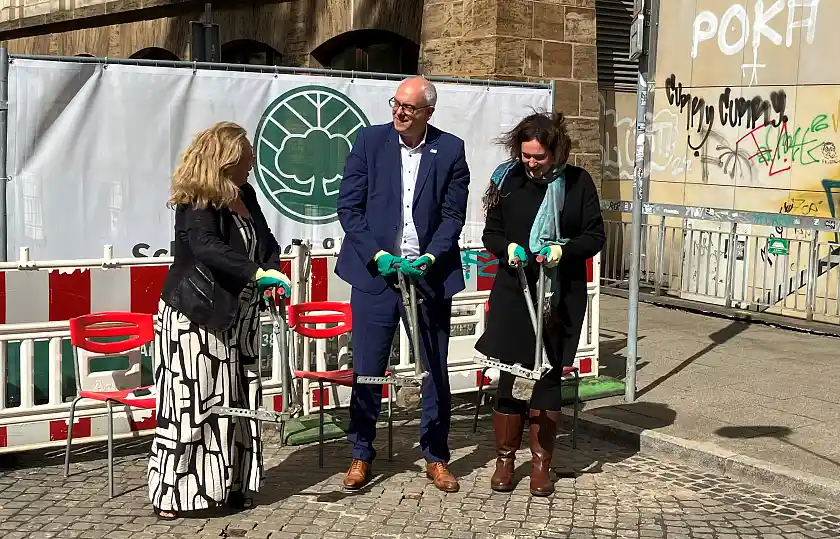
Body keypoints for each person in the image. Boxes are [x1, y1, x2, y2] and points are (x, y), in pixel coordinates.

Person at [148, 121, 291, 519]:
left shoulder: (245, 194)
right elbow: (206, 247)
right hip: (196, 316)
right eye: (247, 160)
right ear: (226, 159)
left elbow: (267, 244)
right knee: (191, 404)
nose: (252, 166)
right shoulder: (198, 198)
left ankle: (228, 485)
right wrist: (255, 274)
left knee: (237, 403)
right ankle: (173, 494)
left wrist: (271, 271)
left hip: (238, 317)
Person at [335, 76, 471, 493]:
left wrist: (432, 256)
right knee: (368, 369)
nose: (399, 112)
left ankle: (435, 455)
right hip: (376, 275)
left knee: (434, 369)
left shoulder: (449, 149)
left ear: (428, 112)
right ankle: (361, 454)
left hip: (427, 277)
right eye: (395, 103)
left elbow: (453, 215)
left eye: (409, 108)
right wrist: (377, 255)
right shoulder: (369, 142)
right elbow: (349, 207)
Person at [474, 112, 605, 496]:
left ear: (556, 152)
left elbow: (594, 235)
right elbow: (491, 233)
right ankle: (504, 460)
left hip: (560, 293)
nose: (530, 163)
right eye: (526, 155)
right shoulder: (508, 180)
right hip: (515, 289)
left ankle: (541, 466)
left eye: (539, 157)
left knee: (548, 375)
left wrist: (562, 251)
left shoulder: (579, 183)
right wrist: (507, 247)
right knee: (510, 374)